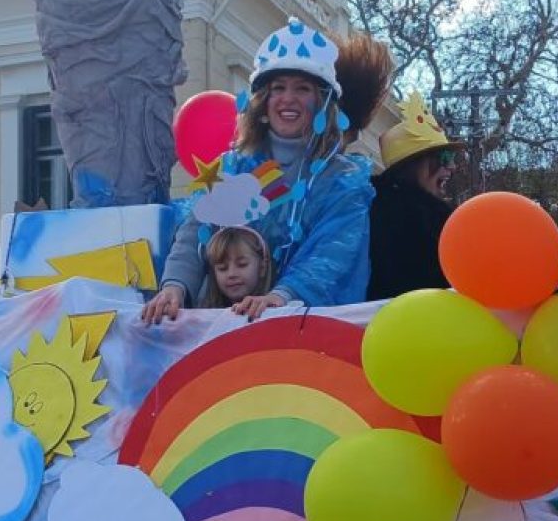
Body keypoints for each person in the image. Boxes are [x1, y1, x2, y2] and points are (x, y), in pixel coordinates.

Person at [142, 18, 390, 325]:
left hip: (299, 336)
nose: (288, 98)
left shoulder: (340, 180)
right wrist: (175, 288)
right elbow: (195, 233)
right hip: (222, 329)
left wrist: (281, 297)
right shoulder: (233, 167)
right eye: (278, 88)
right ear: (264, 100)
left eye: (302, 88)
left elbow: (333, 253)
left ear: (321, 102)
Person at [365, 93, 464, 301]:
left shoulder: (371, 209)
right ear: (413, 166)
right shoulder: (423, 224)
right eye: (443, 158)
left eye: (452, 158)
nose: (452, 167)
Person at [200, 226, 276, 312]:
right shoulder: (203, 317)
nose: (231, 274)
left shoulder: (281, 311)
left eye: (242, 265)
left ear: (262, 267)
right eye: (223, 268)